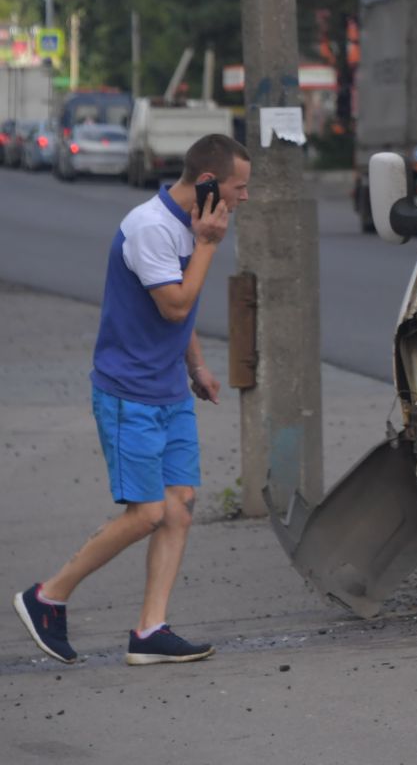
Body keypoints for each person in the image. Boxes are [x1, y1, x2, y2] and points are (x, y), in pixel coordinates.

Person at [13, 133, 250, 665]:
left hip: (168, 389)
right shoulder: (150, 228)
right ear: (209, 184)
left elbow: (178, 310)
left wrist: (197, 367)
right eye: (240, 187)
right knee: (147, 513)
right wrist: (209, 244)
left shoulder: (188, 227)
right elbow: (174, 304)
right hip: (130, 395)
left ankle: (150, 631)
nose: (246, 197)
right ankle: (47, 596)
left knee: (180, 509)